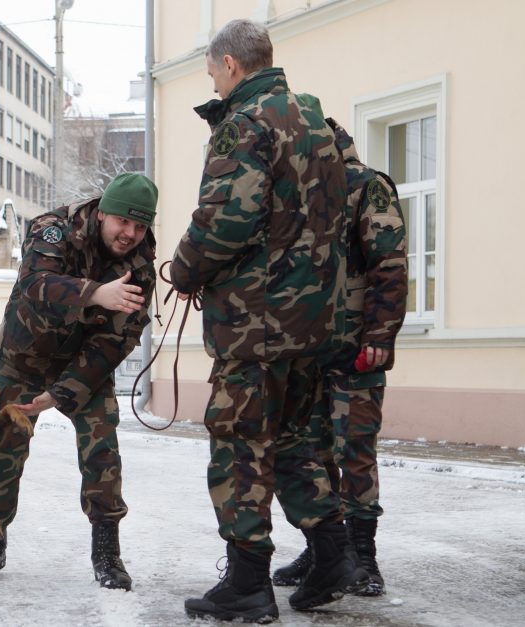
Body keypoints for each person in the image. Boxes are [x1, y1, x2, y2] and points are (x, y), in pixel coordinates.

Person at [170, 19, 368, 622]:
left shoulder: (244, 123)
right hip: (317, 322)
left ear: (229, 64)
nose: (213, 81)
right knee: (297, 442)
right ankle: (332, 555)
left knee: (239, 444)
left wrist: (183, 270)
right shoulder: (319, 124)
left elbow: (226, 220)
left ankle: (248, 585)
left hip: (257, 323)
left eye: (211, 71)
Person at [0, 172, 158, 591]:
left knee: (102, 449)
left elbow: (118, 338)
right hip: (22, 360)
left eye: (140, 226)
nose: (131, 234)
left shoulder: (139, 264)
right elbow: (34, 283)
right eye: (123, 221)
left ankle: (107, 554)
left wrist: (63, 392)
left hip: (83, 366)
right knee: (2, 452)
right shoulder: (55, 229)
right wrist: (94, 293)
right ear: (103, 212)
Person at [272, 102, 408, 597]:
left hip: (355, 347)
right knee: (310, 449)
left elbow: (388, 265)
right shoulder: (305, 194)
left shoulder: (366, 185)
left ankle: (364, 557)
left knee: (354, 449)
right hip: (307, 348)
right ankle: (323, 551)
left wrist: (379, 336)